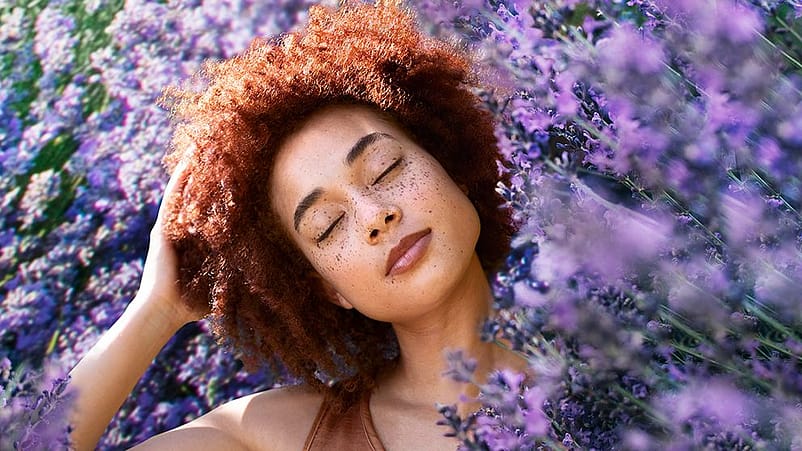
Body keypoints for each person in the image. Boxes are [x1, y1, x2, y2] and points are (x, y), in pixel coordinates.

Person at [68, 2, 525, 449]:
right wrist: (155, 311)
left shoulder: (591, 364)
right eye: (327, 226)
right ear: (329, 288)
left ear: (451, 166)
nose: (374, 217)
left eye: (385, 169)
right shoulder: (273, 438)